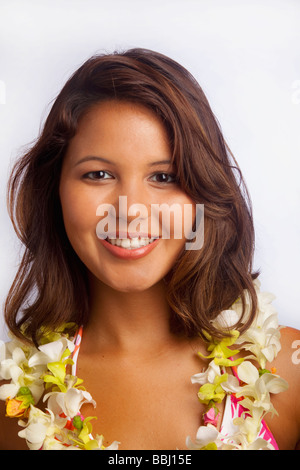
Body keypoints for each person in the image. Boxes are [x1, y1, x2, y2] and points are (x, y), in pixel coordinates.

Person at [0, 48, 299, 451]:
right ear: (55, 192)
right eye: (98, 174)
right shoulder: (15, 404)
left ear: (202, 198)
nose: (131, 211)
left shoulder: (286, 371)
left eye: (163, 176)